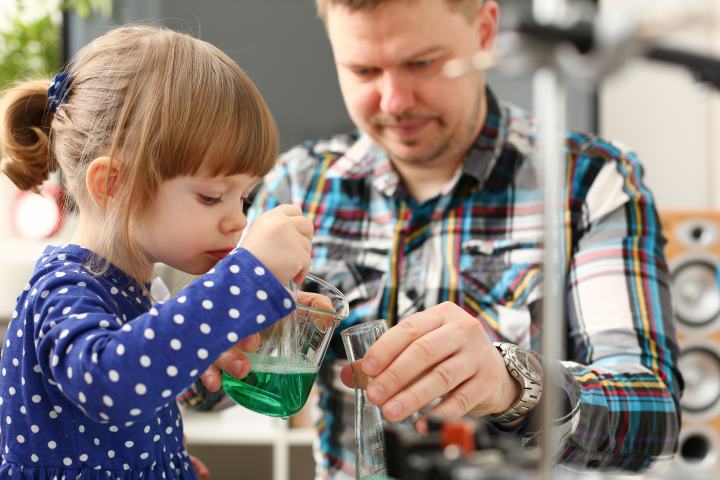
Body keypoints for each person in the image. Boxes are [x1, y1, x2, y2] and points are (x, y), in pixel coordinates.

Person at [186, 0, 682, 476]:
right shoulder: (297, 186)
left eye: (423, 63)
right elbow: (199, 390)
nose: (395, 101)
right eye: (363, 71)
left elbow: (654, 421)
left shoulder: (590, 182)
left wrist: (512, 385)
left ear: (485, 32)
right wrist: (201, 329)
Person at [0, 25, 314, 480]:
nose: (238, 221)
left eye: (244, 197)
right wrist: (248, 277)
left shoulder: (131, 287)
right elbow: (113, 383)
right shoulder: (65, 288)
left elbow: (135, 400)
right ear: (113, 185)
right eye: (211, 197)